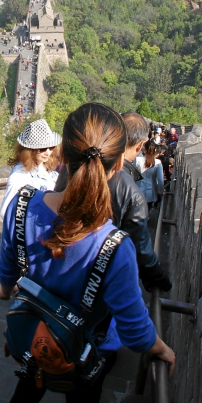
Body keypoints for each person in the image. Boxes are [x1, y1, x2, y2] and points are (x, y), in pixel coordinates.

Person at [0, 103, 175, 403]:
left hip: (35, 331)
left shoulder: (22, 207)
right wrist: (161, 349)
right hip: (89, 343)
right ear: (119, 163)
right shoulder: (116, 248)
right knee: (83, 392)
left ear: (61, 154)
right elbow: (134, 329)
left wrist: (6, 289)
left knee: (36, 368)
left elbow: (6, 273)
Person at [57, 111, 171, 293]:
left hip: (57, 264)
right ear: (140, 144)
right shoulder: (132, 195)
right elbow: (141, 250)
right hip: (95, 285)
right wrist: (158, 278)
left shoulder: (75, 165)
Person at [0, 119, 61, 220]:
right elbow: (5, 211)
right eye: (42, 148)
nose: (48, 152)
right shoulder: (20, 175)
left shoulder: (44, 168)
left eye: (51, 147)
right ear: (29, 150)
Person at [135, 140, 164, 208]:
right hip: (151, 191)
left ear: (145, 149)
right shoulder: (157, 162)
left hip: (138, 189)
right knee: (147, 210)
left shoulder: (137, 160)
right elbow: (160, 180)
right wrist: (160, 192)